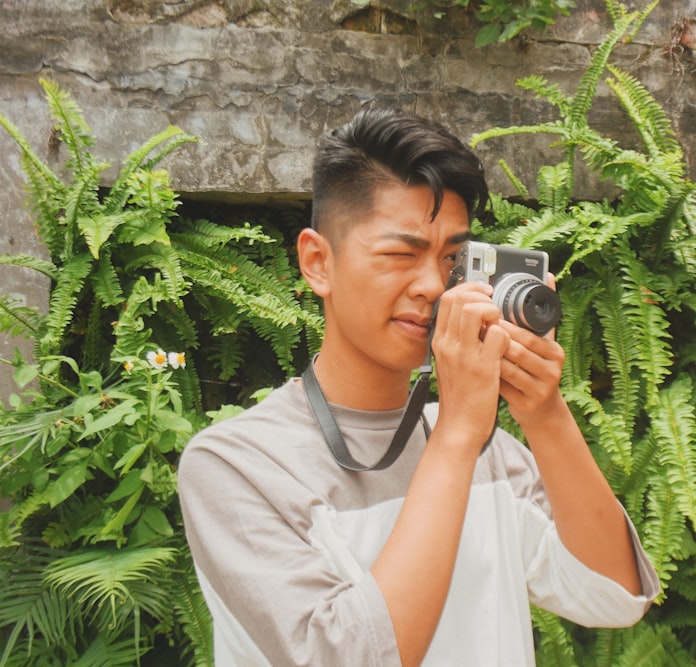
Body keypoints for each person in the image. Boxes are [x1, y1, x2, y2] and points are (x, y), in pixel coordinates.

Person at [178, 107, 660, 666]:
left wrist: (544, 414)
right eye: (400, 255)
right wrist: (454, 435)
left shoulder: (487, 449)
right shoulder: (238, 465)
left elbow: (615, 596)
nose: (432, 285)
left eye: (453, 259)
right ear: (317, 262)